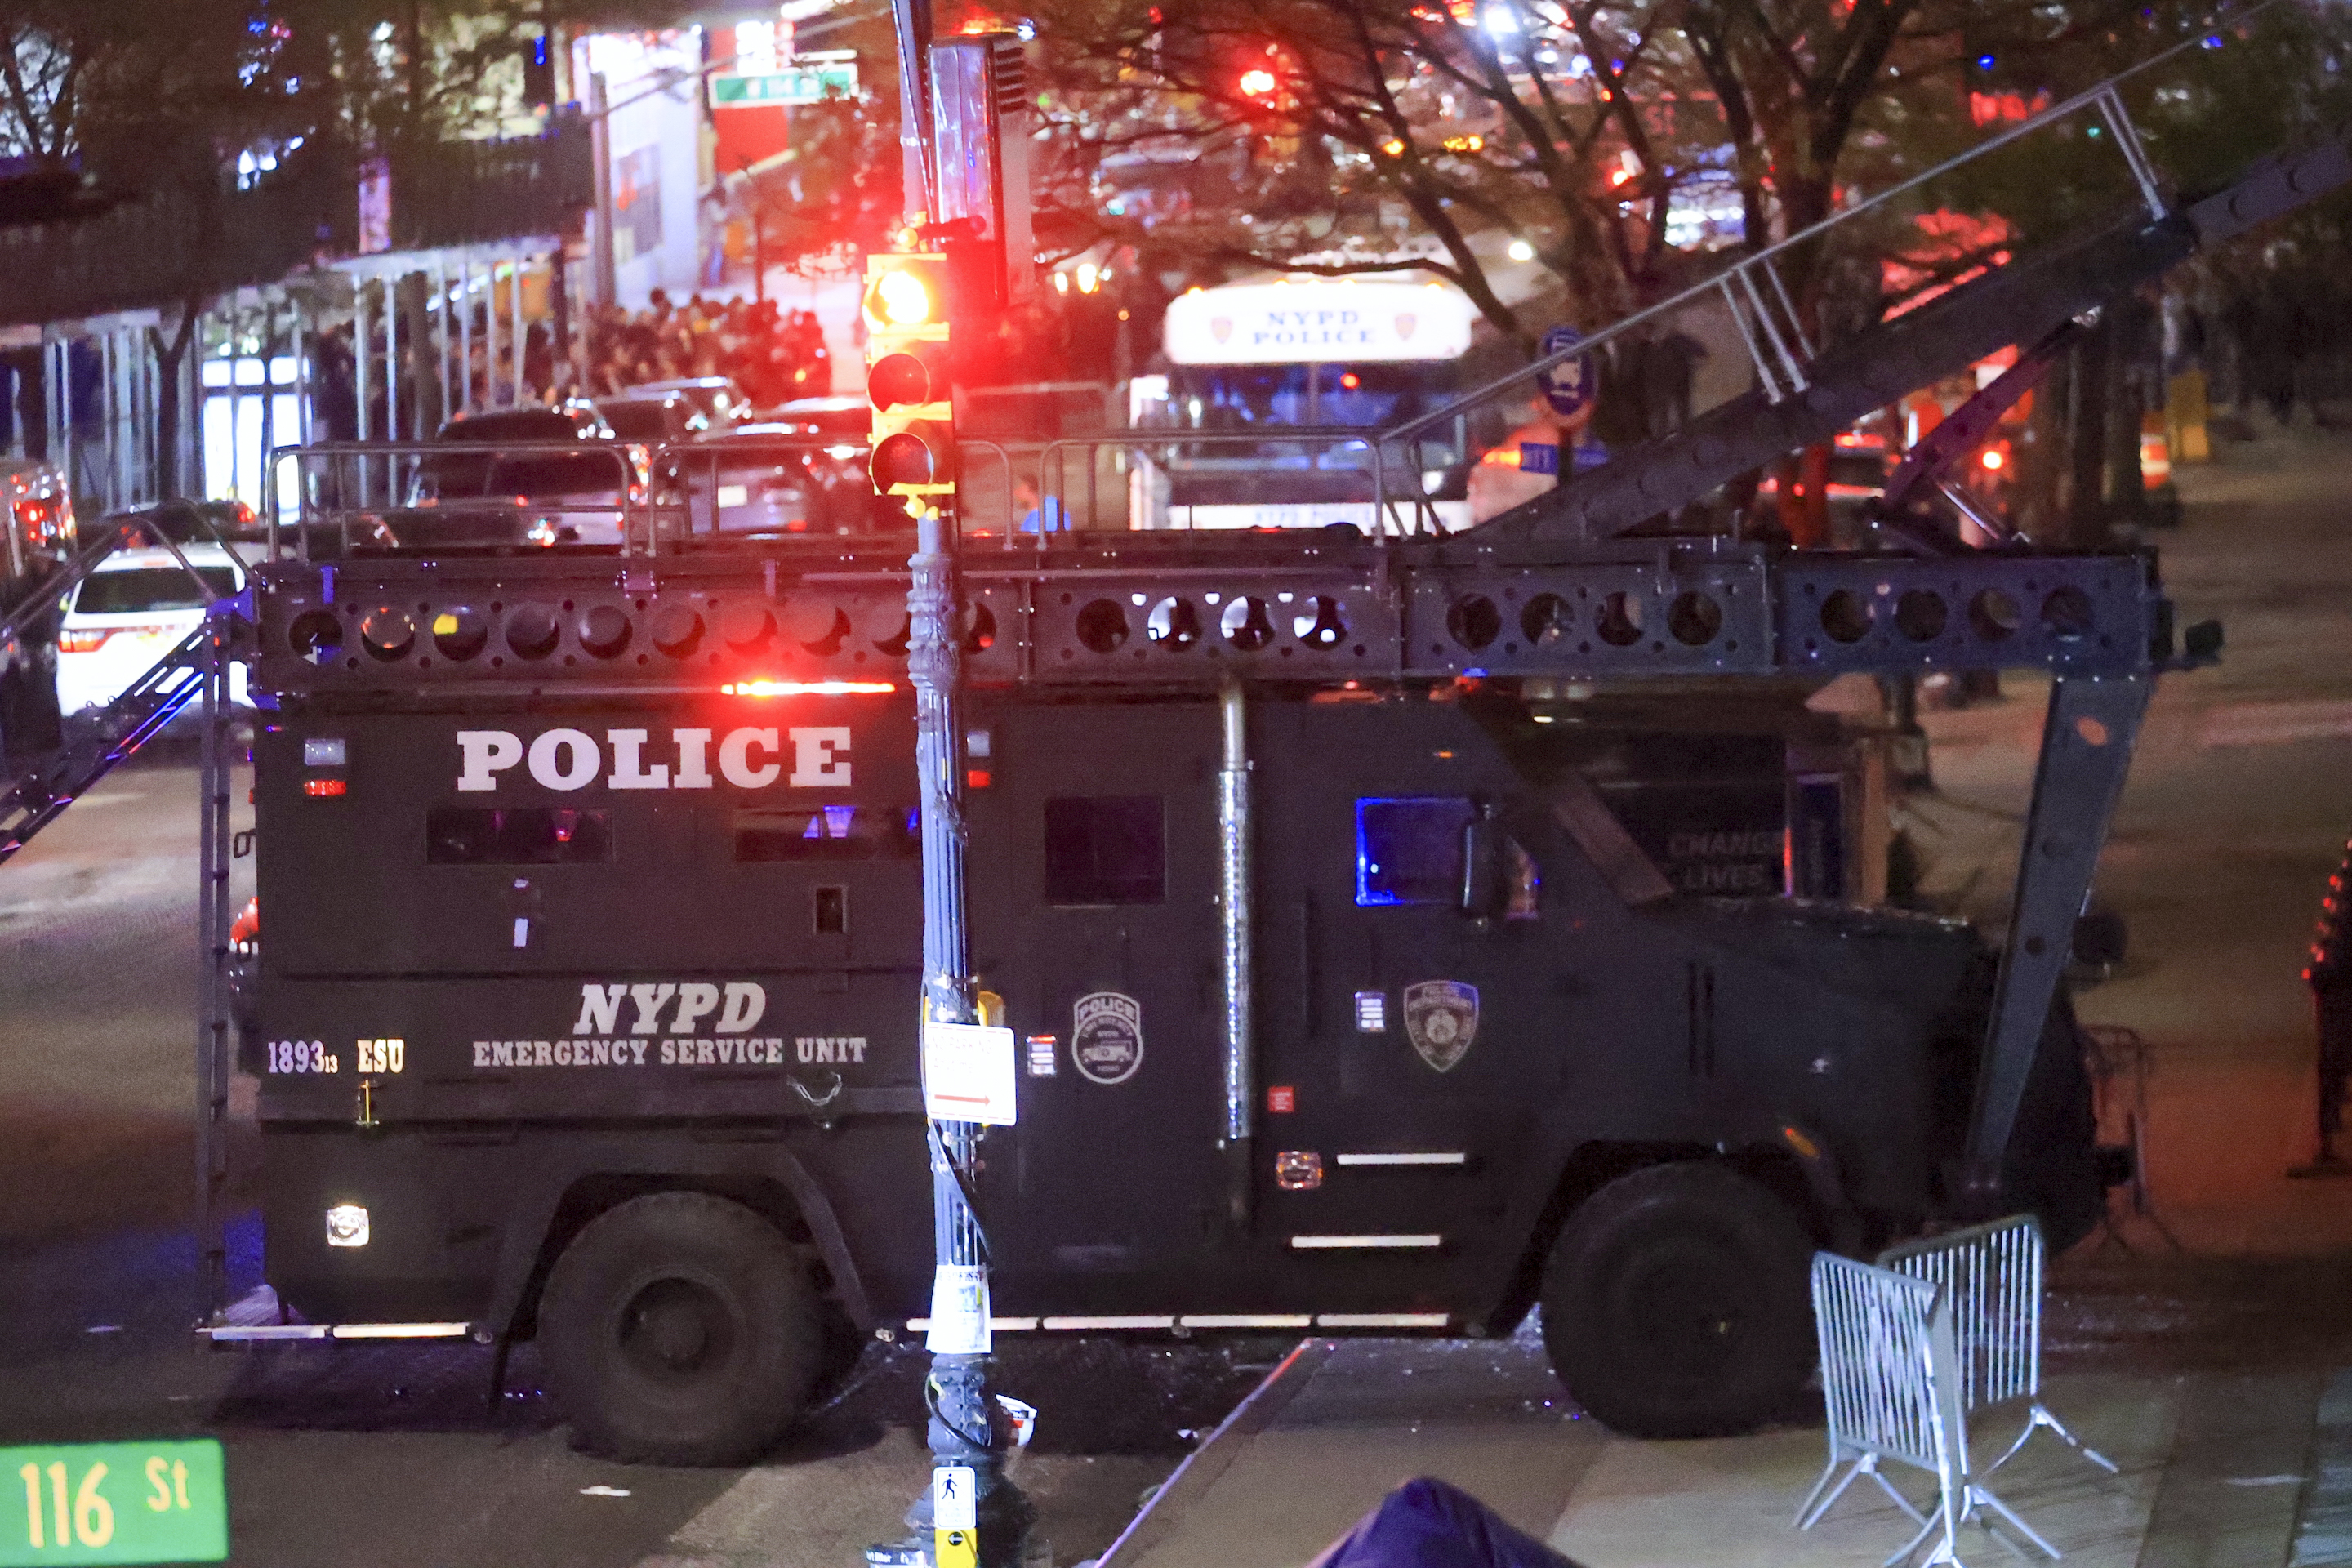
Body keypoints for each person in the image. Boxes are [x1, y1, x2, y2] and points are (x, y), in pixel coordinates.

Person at [2297, 834, 2352, 1174]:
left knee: (2333, 1057)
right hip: (2338, 978)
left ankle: (2327, 1141)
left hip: (2341, 983)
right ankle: (2327, 1134)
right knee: (2333, 1058)